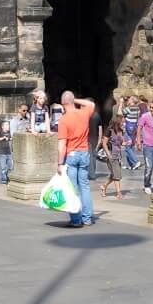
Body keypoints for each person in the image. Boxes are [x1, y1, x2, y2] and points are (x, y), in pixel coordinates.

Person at [54, 90, 96, 228]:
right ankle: (87, 218)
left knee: (72, 188)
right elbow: (90, 104)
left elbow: (62, 145)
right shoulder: (84, 113)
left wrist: (60, 163)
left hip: (71, 155)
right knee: (84, 186)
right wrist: (75, 100)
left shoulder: (63, 120)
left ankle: (76, 220)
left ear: (62, 104)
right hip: (84, 153)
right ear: (72, 101)